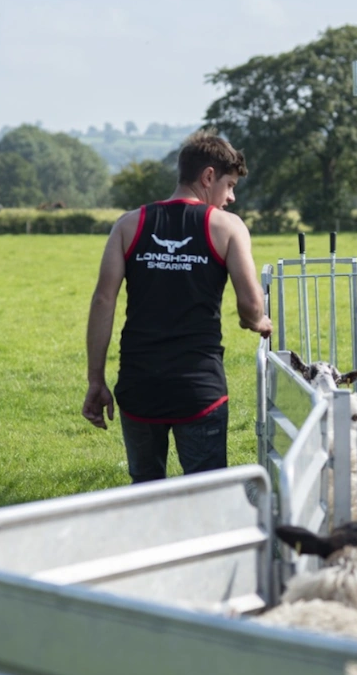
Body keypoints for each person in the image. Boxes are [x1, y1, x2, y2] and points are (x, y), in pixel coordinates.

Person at [82, 129, 272, 483]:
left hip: (139, 388)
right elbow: (249, 305)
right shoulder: (227, 227)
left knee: (147, 494)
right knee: (207, 495)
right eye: (229, 185)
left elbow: (103, 300)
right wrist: (258, 321)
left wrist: (96, 379)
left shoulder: (128, 225)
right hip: (198, 391)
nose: (230, 198)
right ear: (209, 176)